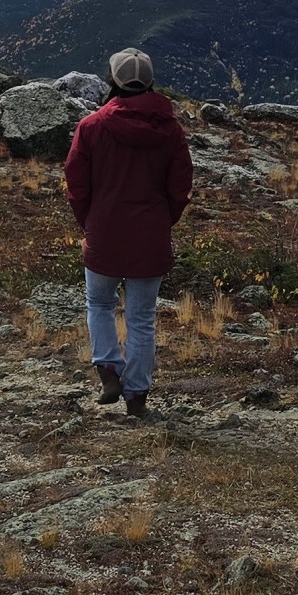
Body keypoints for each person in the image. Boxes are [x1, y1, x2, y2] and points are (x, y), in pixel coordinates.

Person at [63, 48, 193, 417]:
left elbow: (77, 183)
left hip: (104, 231)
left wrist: (90, 221)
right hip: (150, 236)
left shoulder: (91, 127)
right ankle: (137, 396)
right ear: (150, 82)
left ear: (112, 80)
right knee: (141, 319)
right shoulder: (170, 131)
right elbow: (180, 185)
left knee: (100, 304)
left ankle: (107, 368)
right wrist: (164, 219)